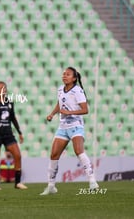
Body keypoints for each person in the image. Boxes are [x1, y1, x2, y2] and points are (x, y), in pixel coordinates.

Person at [40, 67, 99, 195]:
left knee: (79, 151)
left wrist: (69, 112)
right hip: (63, 127)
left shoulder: (77, 91)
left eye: (68, 74)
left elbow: (85, 110)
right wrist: (52, 114)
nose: (64, 76)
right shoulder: (60, 89)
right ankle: (51, 186)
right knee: (54, 155)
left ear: (74, 78)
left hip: (76, 126)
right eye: (63, 74)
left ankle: (92, 181)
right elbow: (59, 103)